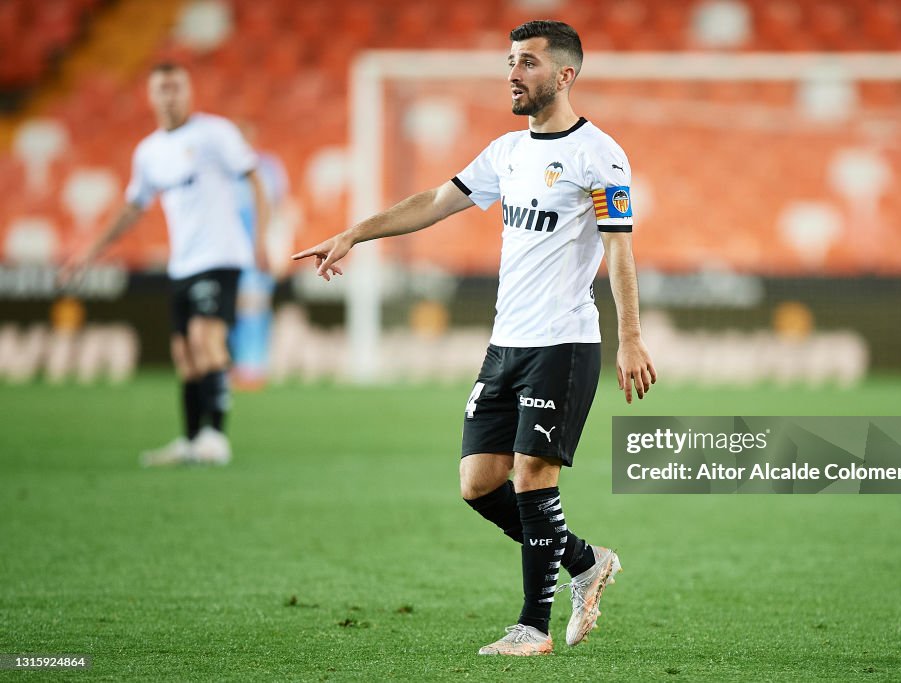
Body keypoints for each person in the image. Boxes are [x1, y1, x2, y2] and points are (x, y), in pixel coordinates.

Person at [293, 20, 656, 656]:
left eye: (528, 63)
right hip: (505, 344)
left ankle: (531, 628)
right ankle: (588, 562)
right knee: (478, 482)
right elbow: (435, 201)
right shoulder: (506, 153)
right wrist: (356, 232)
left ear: (564, 76)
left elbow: (619, 250)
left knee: (532, 477)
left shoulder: (600, 154)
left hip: (563, 346)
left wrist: (630, 337)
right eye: (511, 62)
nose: (513, 74)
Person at [61, 62, 268, 467]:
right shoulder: (149, 152)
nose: (170, 95)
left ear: (189, 92)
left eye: (177, 87)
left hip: (222, 255)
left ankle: (216, 438)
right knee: (183, 352)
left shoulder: (214, 133)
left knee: (205, 339)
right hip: (183, 262)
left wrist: (259, 239)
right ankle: (191, 440)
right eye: (162, 88)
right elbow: (132, 207)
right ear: (151, 95)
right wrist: (90, 251)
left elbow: (255, 180)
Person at [230, 121, 289, 390]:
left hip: (259, 248)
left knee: (254, 305)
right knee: (232, 306)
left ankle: (254, 366)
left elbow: (280, 208)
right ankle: (237, 364)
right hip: (230, 248)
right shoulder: (224, 170)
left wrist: (278, 245)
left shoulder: (268, 167)